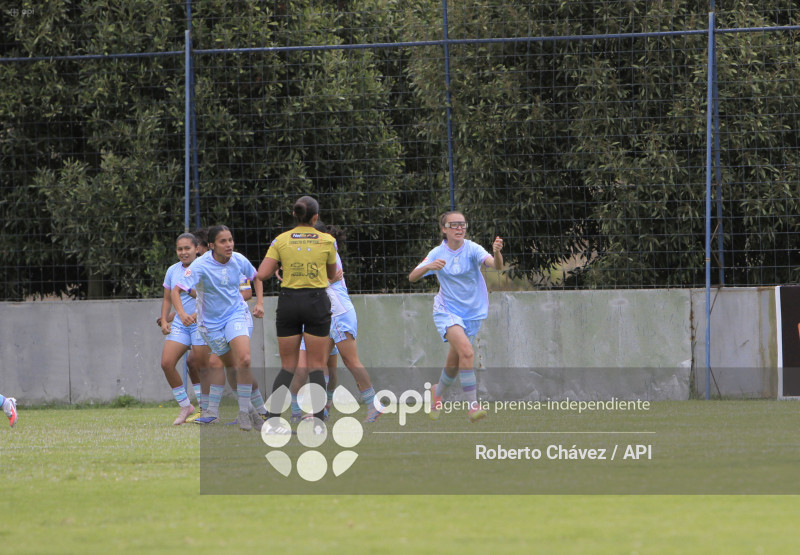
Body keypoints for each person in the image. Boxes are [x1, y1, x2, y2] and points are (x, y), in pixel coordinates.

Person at [408, 211, 503, 422]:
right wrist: (429, 266)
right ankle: (473, 406)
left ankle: (437, 391)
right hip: (446, 311)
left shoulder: (472, 248)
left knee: (454, 362)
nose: (460, 229)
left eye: (463, 224)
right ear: (444, 229)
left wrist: (496, 252)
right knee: (467, 353)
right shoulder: (436, 253)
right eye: (454, 225)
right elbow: (412, 276)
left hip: (472, 313)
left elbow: (497, 266)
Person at [257, 196, 338, 431]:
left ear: (294, 215)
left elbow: (262, 274)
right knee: (316, 365)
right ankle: (319, 423)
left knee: (288, 366)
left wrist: (282, 267)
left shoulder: (281, 240)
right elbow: (332, 274)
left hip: (288, 303)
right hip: (316, 303)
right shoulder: (327, 240)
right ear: (315, 217)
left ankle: (272, 421)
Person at [173, 225, 265, 431]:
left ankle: (239, 412)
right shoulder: (199, 266)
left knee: (244, 359)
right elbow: (177, 289)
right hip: (211, 324)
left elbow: (256, 276)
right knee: (231, 366)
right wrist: (180, 313)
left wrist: (260, 303)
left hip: (236, 316)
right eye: (223, 241)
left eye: (230, 240)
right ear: (212, 245)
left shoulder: (239, 260)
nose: (229, 244)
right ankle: (253, 411)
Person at [296, 221, 381, 423]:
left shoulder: (327, 249)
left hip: (337, 312)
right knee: (319, 364)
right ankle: (321, 410)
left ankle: (373, 404)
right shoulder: (315, 254)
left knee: (351, 361)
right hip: (325, 314)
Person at [159, 232, 202, 425]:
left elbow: (206, 296)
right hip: (180, 324)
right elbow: (168, 298)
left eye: (187, 248)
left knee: (196, 363)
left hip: (201, 322)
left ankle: (206, 407)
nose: (183, 252)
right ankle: (186, 405)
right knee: (167, 363)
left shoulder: (204, 267)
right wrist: (165, 320)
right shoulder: (172, 270)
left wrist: (192, 311)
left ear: (197, 249)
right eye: (180, 249)